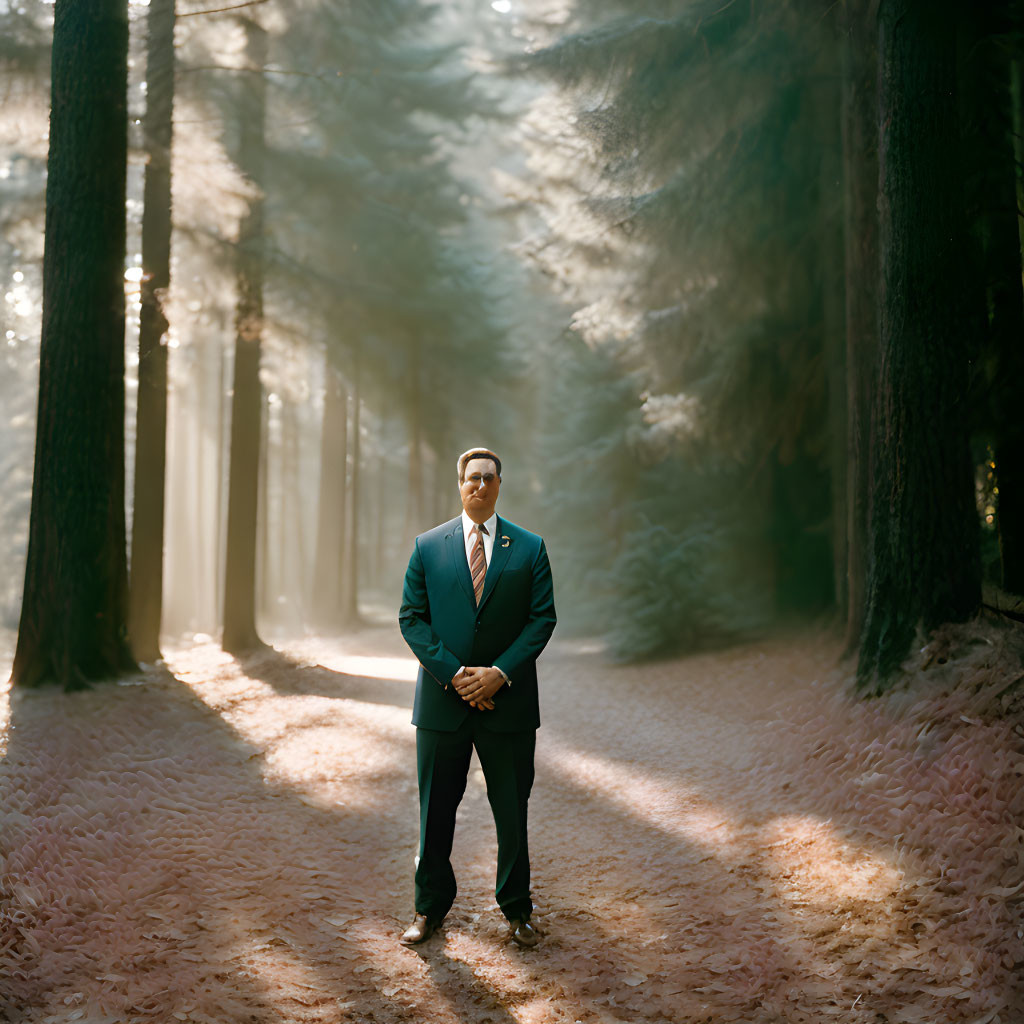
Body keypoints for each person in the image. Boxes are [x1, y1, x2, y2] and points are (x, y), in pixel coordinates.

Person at [398, 447, 556, 948]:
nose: (480, 486)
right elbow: (411, 618)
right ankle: (428, 910)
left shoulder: (530, 548)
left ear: (499, 484)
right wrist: (457, 675)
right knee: (435, 812)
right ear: (459, 484)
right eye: (472, 478)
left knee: (511, 811)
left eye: (489, 478)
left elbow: (542, 620)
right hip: (443, 706)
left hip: (507, 705)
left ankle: (517, 911)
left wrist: (499, 674)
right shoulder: (428, 547)